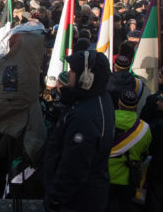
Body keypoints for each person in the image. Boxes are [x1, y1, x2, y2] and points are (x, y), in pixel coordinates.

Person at [43, 51, 115, 212]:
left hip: (74, 202)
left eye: (72, 71)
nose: (68, 74)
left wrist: (55, 200)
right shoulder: (97, 98)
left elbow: (73, 168)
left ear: (87, 78)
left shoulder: (85, 118)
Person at [107, 83, 151, 212]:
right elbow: (144, 150)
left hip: (105, 175)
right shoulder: (144, 128)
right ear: (136, 106)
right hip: (129, 179)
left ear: (119, 103)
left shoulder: (107, 119)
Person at [145, 87, 163, 211]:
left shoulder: (159, 124)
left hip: (160, 170)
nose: (157, 102)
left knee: (155, 199)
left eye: (161, 100)